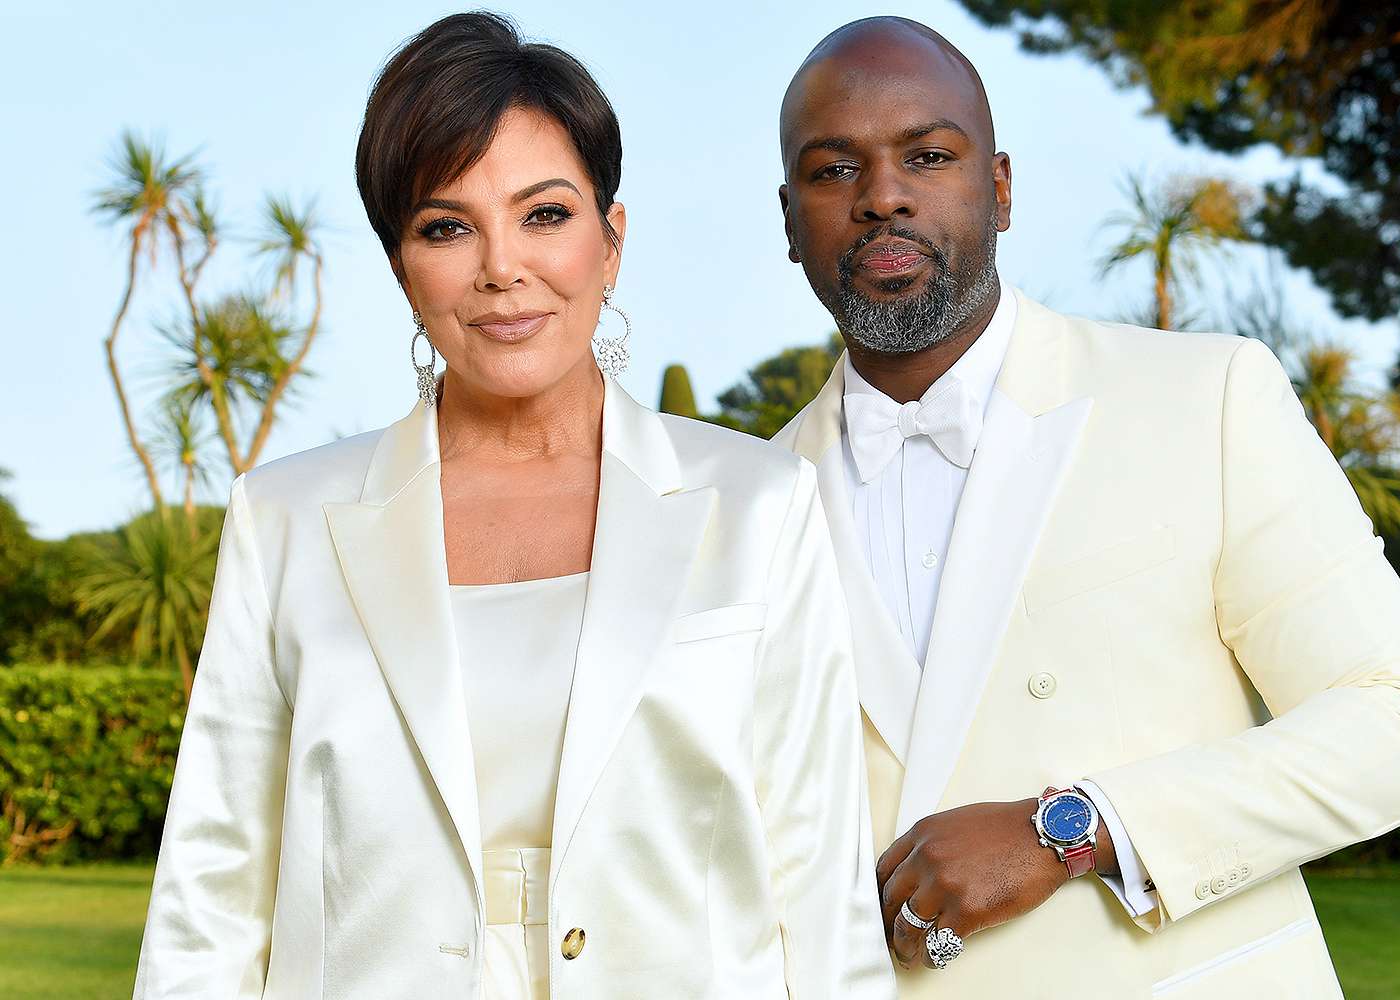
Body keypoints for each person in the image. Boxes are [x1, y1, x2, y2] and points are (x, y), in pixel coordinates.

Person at [132, 13, 895, 999]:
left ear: (610, 242)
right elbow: (212, 898)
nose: (502, 267)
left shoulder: (760, 507)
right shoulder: (283, 521)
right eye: (447, 227)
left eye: (545, 215)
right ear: (402, 269)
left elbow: (821, 889)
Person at [772, 16, 1400, 998]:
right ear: (789, 218)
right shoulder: (744, 503)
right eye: (834, 169)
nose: (883, 195)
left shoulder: (1204, 398)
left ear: (1000, 188)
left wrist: (1076, 829)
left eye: (927, 155)